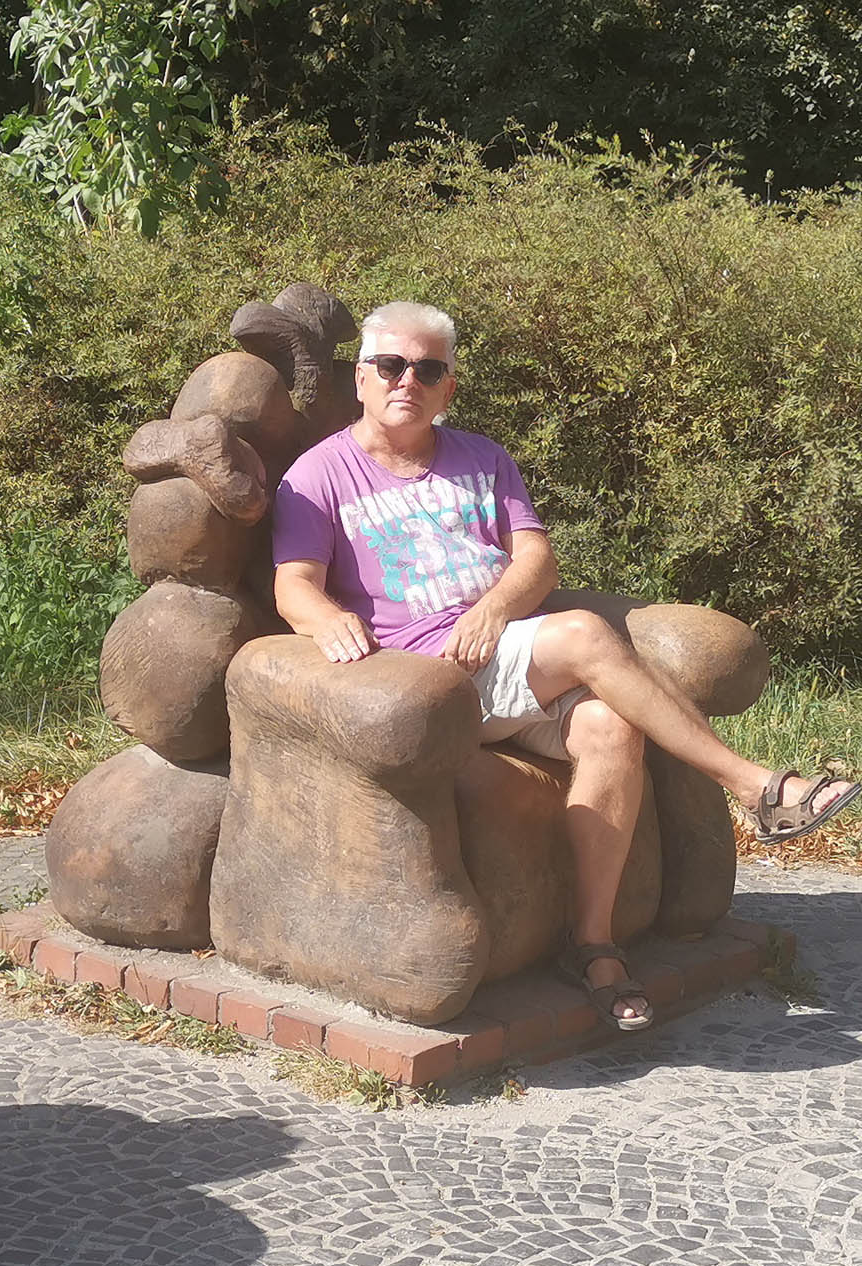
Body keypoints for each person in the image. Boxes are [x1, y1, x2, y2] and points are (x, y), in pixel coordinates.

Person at [271, 300, 858, 1031]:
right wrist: (327, 618)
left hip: (508, 657)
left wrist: (493, 609)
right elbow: (293, 581)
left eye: (427, 369)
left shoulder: (484, 457)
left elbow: (537, 560)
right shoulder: (320, 473)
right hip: (430, 677)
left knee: (613, 727)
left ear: (449, 385)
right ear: (361, 377)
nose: (407, 381)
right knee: (582, 632)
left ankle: (595, 949)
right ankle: (754, 785)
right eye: (390, 365)